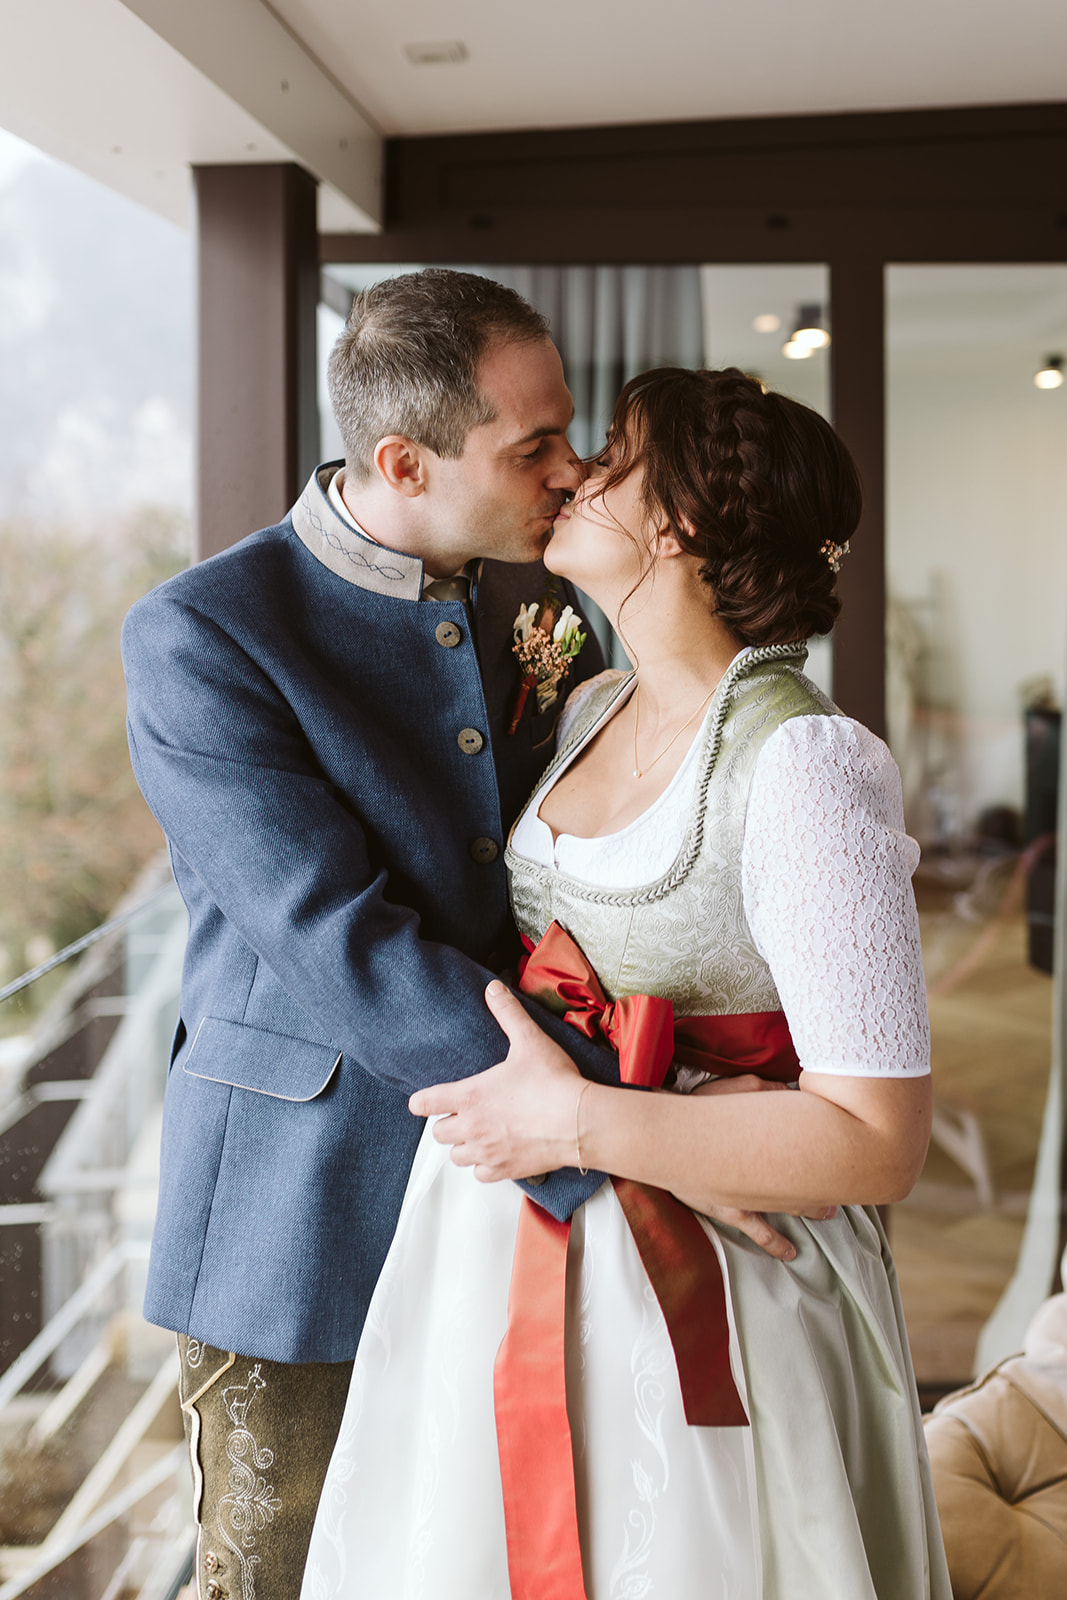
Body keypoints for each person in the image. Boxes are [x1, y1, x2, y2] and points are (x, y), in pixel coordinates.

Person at [302, 368, 953, 1599]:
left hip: (715, 1287)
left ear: (684, 523)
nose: (572, 475)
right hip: (498, 1240)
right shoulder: (589, 701)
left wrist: (579, 1119)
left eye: (609, 456)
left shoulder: (804, 761)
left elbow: (878, 1144)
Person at [120, 269, 624, 1600]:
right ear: (401, 460)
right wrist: (602, 1127)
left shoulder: (549, 609)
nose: (570, 472)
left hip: (515, 1198)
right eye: (533, 448)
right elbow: (330, 931)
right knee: (274, 1575)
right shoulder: (201, 633)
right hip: (299, 1208)